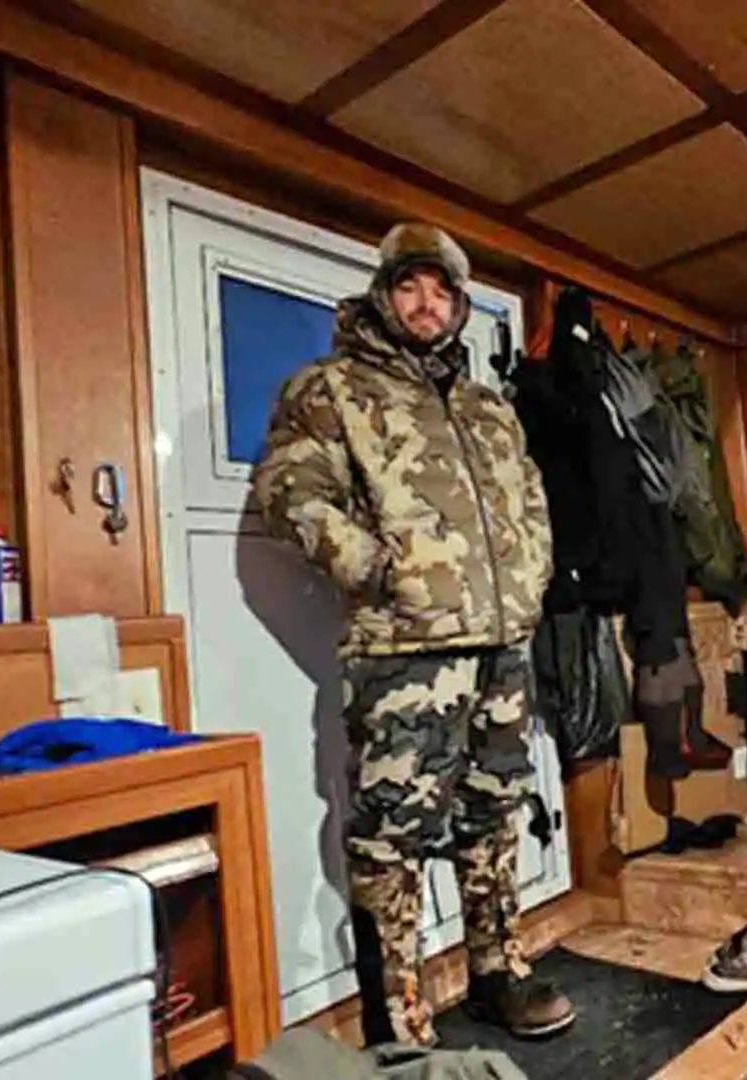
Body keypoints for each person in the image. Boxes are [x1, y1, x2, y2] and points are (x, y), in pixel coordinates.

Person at [251, 222, 573, 1047]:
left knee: (495, 810)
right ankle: (396, 1020)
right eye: (410, 287)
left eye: (442, 291)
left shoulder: (487, 407)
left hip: (502, 643)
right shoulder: (331, 389)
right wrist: (378, 568)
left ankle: (497, 973)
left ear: (458, 307)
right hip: (403, 650)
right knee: (392, 834)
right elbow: (290, 492)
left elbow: (532, 500)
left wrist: (532, 576)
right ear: (384, 296)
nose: (427, 304)